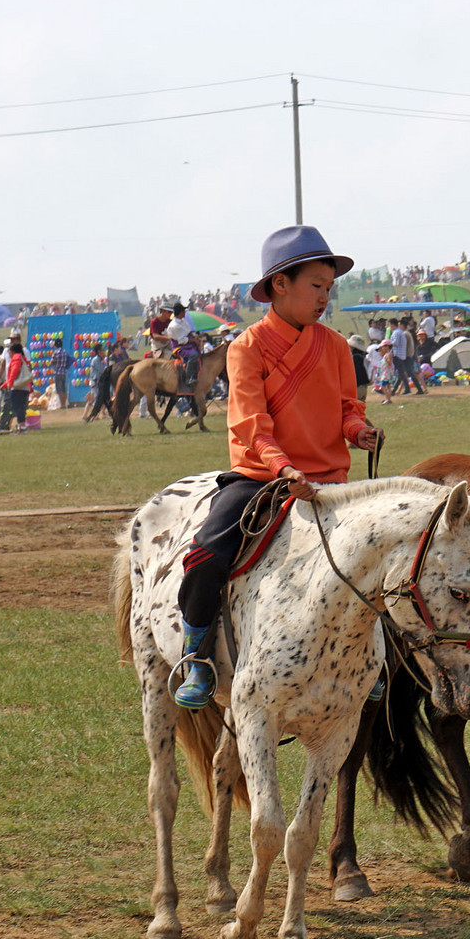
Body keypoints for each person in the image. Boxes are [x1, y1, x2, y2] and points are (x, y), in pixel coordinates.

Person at [172, 225, 380, 710]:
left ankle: (372, 659)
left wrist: (358, 430)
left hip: (329, 481)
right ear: (279, 285)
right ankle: (196, 653)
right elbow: (250, 422)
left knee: (386, 553)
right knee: (205, 554)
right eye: (316, 286)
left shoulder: (334, 346)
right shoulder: (247, 346)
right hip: (262, 478)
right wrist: (284, 469)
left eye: (329, 288)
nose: (324, 297)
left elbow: (349, 407)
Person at [0, 339, 31, 434]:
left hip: (18, 388)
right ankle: (21, 427)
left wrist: (9, 384)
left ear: (13, 351)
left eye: (9, 351)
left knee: (16, 407)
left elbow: (14, 371)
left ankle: (22, 427)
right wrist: (4, 385)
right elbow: (12, 376)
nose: (8, 353)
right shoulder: (21, 357)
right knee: (20, 407)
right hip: (24, 387)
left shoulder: (16, 358)